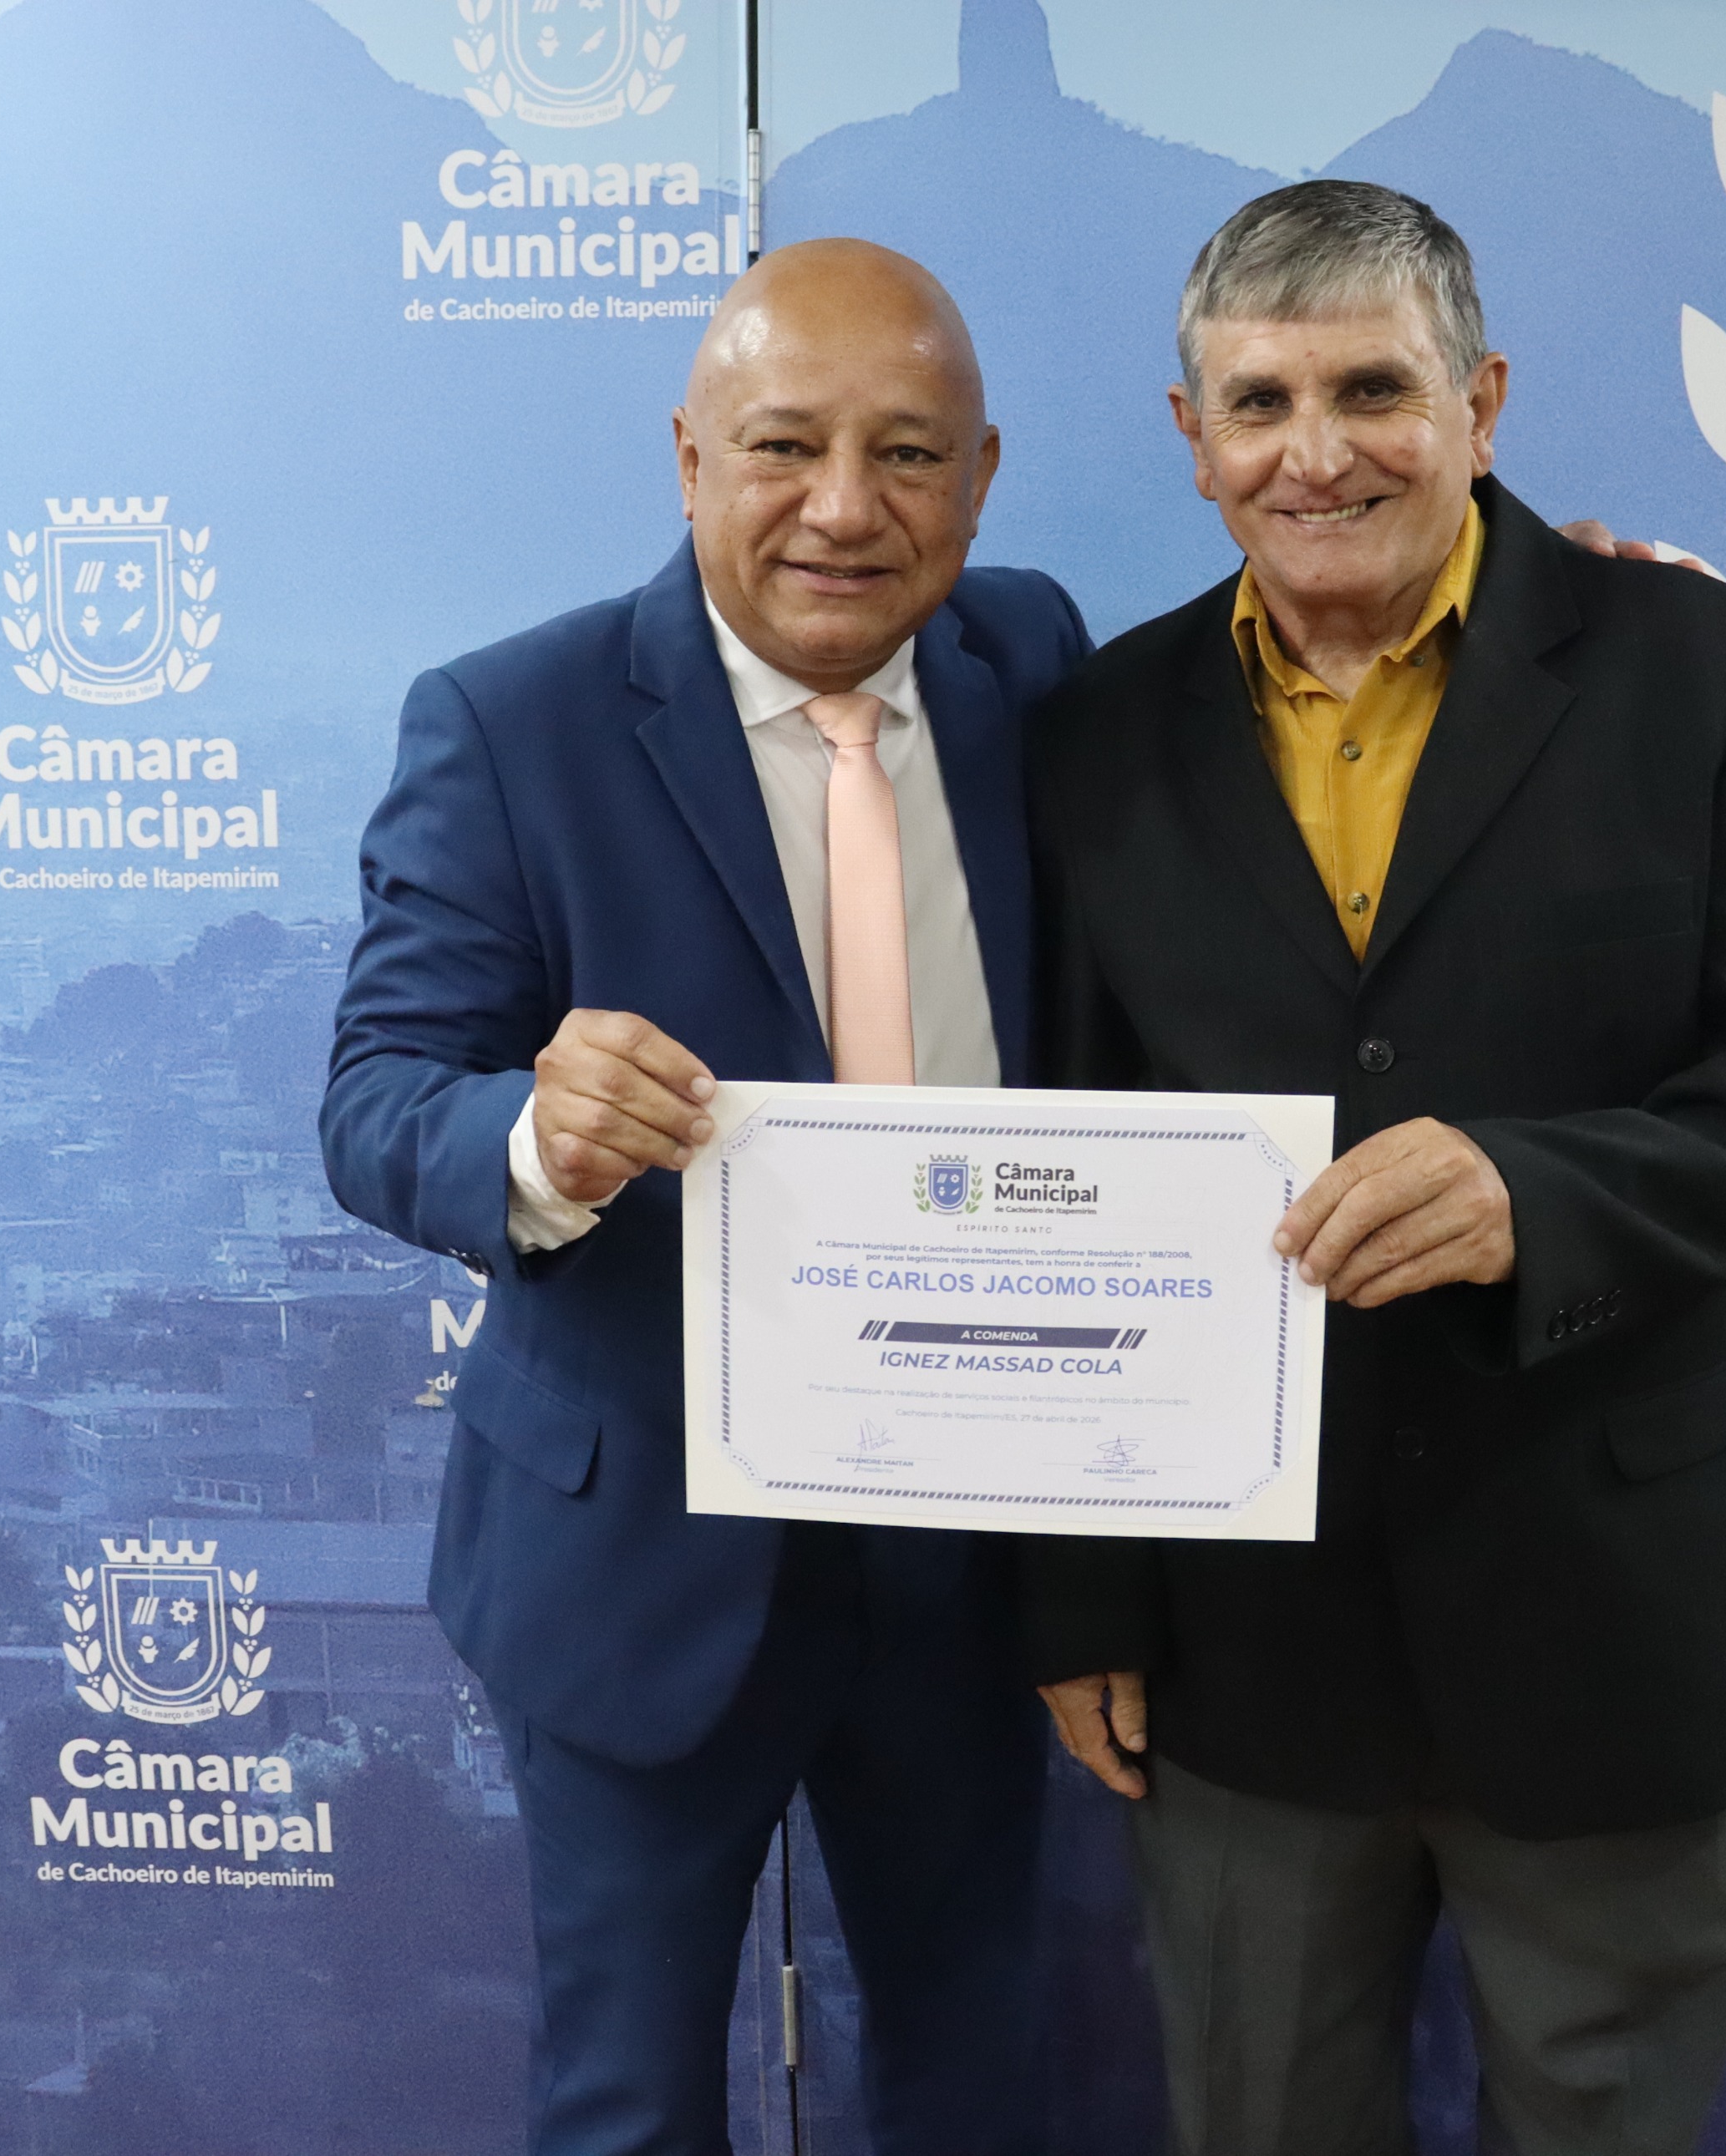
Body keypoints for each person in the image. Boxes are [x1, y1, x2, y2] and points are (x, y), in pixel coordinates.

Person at [1024, 181, 1726, 2156]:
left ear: (1481, 403)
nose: (1313, 453)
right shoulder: (1091, 736)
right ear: (1190, 437)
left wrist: (1540, 1200)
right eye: (1258, 403)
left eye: (1372, 391)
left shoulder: (1716, 672)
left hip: (1602, 1613)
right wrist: (1078, 1600)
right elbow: (1074, 1163)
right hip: (1239, 1646)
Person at [321, 239, 1079, 2154]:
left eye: (907, 452)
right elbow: (377, 1098)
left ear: (983, 477)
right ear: (686, 458)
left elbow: (1296, 696)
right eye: (783, 445)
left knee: (981, 2085)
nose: (844, 506)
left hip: (974, 1556)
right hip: (641, 1556)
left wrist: (1544, 633)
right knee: (631, 2103)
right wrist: (533, 1133)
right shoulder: (511, 720)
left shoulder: (1037, 660)